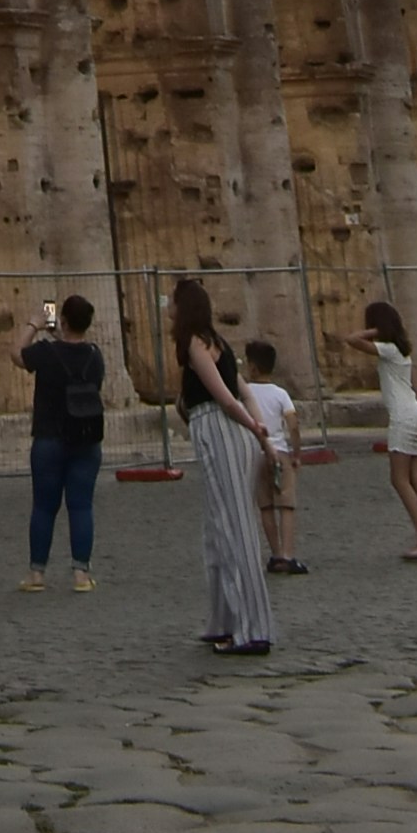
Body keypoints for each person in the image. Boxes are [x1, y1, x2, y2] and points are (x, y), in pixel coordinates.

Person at [170, 273, 275, 653]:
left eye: (172, 302)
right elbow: (243, 391)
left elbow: (228, 399)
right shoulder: (219, 344)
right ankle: (222, 620)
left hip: (220, 429)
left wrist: (255, 428)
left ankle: (252, 629)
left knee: (235, 531)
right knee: (218, 531)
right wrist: (258, 431)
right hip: (224, 429)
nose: (168, 308)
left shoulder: (197, 344)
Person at [16, 293, 106, 590]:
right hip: (86, 438)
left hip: (49, 437)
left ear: (62, 320)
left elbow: (17, 353)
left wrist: (35, 323)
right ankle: (81, 573)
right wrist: (61, 333)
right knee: (81, 506)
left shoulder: (46, 352)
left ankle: (37, 573)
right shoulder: (95, 355)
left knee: (44, 506)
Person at [364, 299, 417, 560]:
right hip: (415, 414)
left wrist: (374, 331)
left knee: (399, 480)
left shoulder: (387, 349)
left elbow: (351, 340)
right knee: (416, 479)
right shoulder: (404, 353)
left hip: (402, 416)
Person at [241, 334, 304, 576]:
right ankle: (288, 554)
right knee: (285, 504)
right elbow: (293, 424)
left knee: (265, 506)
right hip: (279, 451)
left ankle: (275, 552)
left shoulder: (245, 393)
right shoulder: (280, 394)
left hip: (256, 453)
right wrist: (296, 452)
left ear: (253, 367)